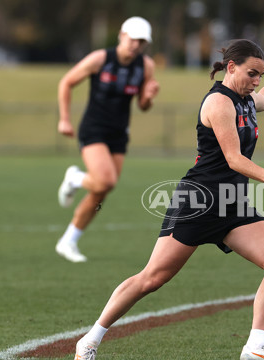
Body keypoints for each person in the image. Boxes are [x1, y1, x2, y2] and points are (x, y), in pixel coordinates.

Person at [72, 39, 264, 360]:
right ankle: (90, 341)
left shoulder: (246, 100)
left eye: (261, 75)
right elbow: (233, 158)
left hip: (232, 203)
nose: (257, 81)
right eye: (252, 73)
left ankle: (256, 345)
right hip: (198, 201)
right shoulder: (218, 103)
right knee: (152, 278)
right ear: (231, 67)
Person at [55, 17, 160, 262]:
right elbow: (66, 82)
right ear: (121, 35)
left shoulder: (146, 66)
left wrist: (149, 96)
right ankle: (74, 178)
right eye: (133, 39)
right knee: (105, 181)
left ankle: (68, 241)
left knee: (102, 191)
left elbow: (143, 106)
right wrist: (64, 118)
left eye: (141, 41)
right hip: (94, 129)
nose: (136, 45)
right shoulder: (100, 59)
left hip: (119, 133)